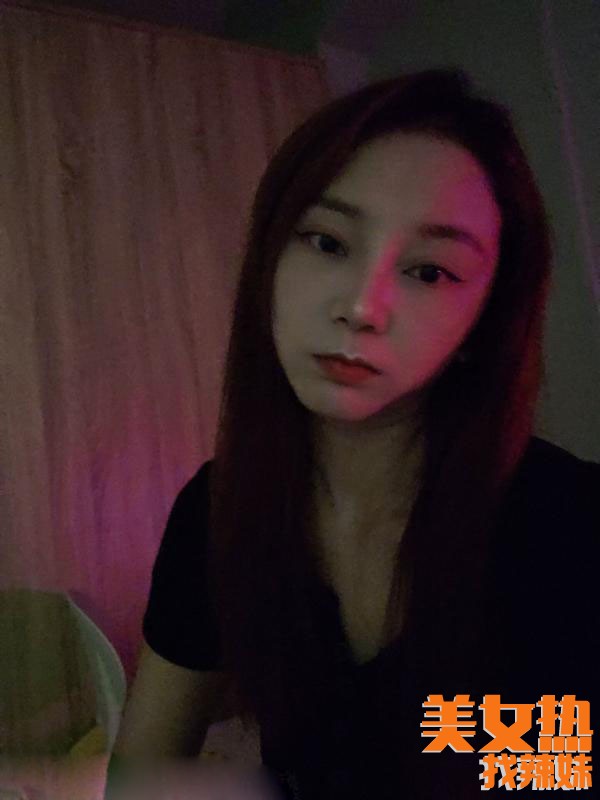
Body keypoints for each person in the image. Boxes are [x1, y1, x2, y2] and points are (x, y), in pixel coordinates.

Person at [108, 68, 599, 799]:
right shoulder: (219, 511)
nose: (363, 307)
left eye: (430, 272)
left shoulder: (575, 525)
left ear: (484, 321)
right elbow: (143, 777)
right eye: (327, 242)